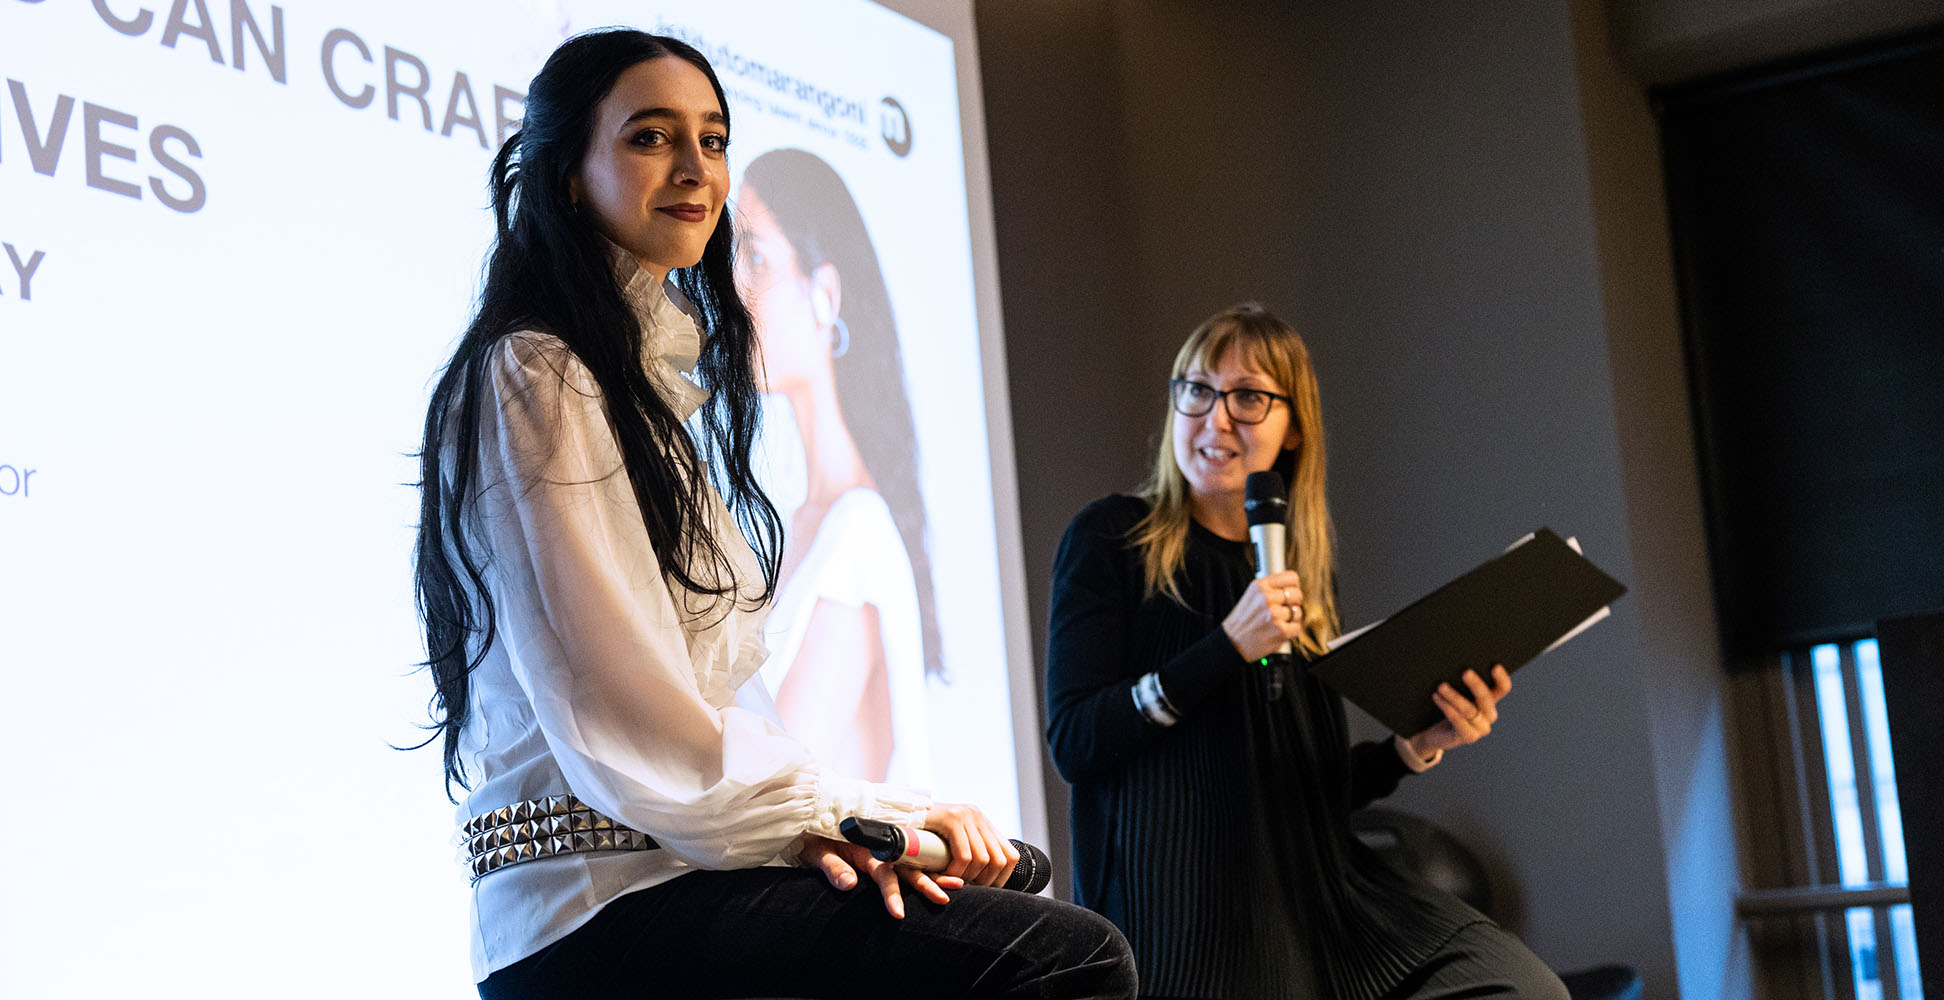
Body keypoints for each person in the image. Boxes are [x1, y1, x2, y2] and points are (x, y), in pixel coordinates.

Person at [412, 28, 1135, 999]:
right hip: (595, 908)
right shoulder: (538, 373)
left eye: (712, 139)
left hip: (666, 882)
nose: (694, 168)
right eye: (650, 137)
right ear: (569, 176)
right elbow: (630, 712)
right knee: (1075, 959)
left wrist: (848, 828)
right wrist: (847, 814)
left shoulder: (629, 393)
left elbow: (721, 717)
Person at [1044, 304, 1567, 1000]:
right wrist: (1228, 645)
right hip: (1179, 907)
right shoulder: (1113, 538)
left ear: (1293, 431)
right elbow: (1076, 741)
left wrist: (1411, 748)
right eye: (1197, 390)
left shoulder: (1298, 572)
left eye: (1249, 398)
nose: (1217, 419)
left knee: (1521, 988)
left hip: (1315, 896)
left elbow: (1302, 788)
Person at [737, 148, 938, 785]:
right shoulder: (801, 522)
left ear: (823, 294)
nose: (734, 289)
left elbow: (774, 796)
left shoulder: (857, 537)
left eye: (757, 259)